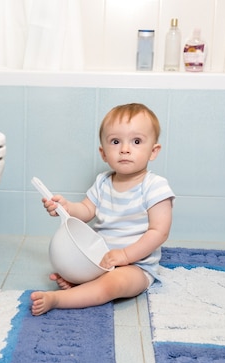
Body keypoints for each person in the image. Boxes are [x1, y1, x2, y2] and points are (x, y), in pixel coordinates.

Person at [31, 103, 175, 316]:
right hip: (101, 260)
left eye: (136, 141)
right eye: (115, 142)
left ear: (153, 151)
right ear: (104, 153)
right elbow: (86, 210)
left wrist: (125, 255)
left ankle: (59, 299)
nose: (125, 149)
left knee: (112, 284)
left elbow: (159, 232)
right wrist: (66, 208)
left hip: (136, 266)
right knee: (69, 264)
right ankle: (81, 285)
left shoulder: (155, 186)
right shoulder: (103, 182)